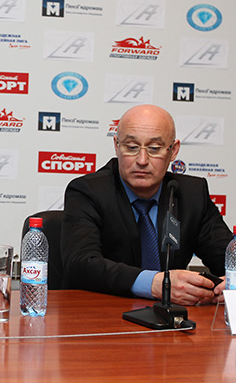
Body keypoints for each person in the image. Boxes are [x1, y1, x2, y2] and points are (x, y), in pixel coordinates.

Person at [61, 104, 231, 305]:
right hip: (104, 311)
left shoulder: (191, 193)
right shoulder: (87, 191)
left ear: (173, 151)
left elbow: (228, 258)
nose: (142, 160)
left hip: (172, 318)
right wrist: (154, 283)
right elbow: (81, 264)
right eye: (132, 147)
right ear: (117, 145)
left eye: (154, 149)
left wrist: (230, 283)